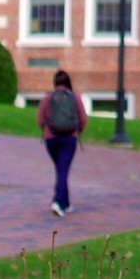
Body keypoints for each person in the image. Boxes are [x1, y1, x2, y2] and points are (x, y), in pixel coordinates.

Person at [37, 69, 87, 217]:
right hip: (69, 138)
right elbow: (83, 118)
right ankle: (58, 202)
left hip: (51, 138)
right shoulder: (75, 97)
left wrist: (47, 130)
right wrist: (78, 131)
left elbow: (40, 119)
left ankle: (64, 202)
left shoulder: (48, 98)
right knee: (63, 169)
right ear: (68, 82)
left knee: (60, 169)